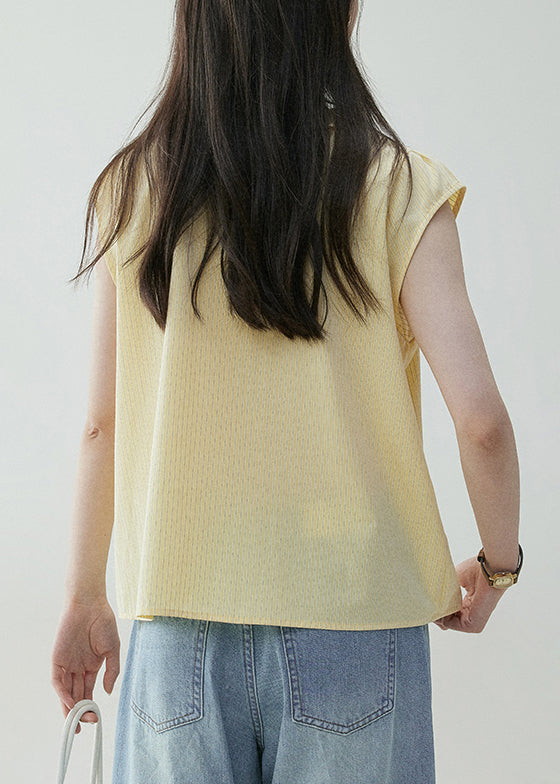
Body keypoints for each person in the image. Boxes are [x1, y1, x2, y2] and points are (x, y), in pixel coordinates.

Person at [51, 1, 522, 782]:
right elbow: (483, 424)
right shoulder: (401, 187)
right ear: (339, 13)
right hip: (355, 617)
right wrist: (499, 564)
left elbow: (103, 423)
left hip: (176, 629)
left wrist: (83, 597)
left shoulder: (135, 189)